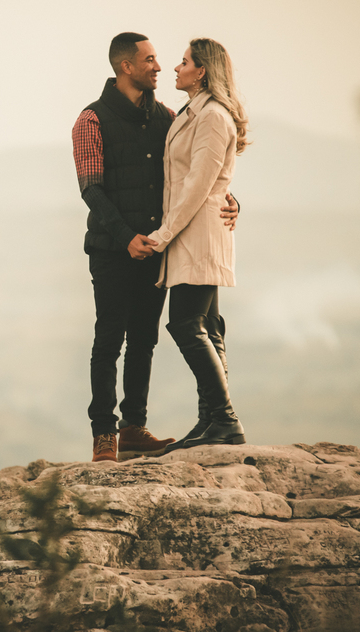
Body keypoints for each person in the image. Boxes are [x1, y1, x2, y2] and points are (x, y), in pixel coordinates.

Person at [72, 33, 239, 463]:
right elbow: (91, 189)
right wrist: (126, 237)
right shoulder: (90, 120)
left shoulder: (169, 116)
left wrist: (231, 200)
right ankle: (104, 435)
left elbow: (204, 169)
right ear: (126, 67)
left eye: (163, 59)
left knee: (144, 339)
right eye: (150, 60)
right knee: (108, 339)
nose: (159, 67)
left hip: (157, 248)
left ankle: (133, 429)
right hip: (113, 248)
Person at [143, 38, 249, 450]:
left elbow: (199, 183)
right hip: (195, 230)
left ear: (201, 71)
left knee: (186, 324)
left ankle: (224, 420)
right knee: (207, 327)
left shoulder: (212, 117)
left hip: (198, 232)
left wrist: (163, 235)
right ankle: (211, 422)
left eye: (184, 62)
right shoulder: (194, 113)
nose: (175, 68)